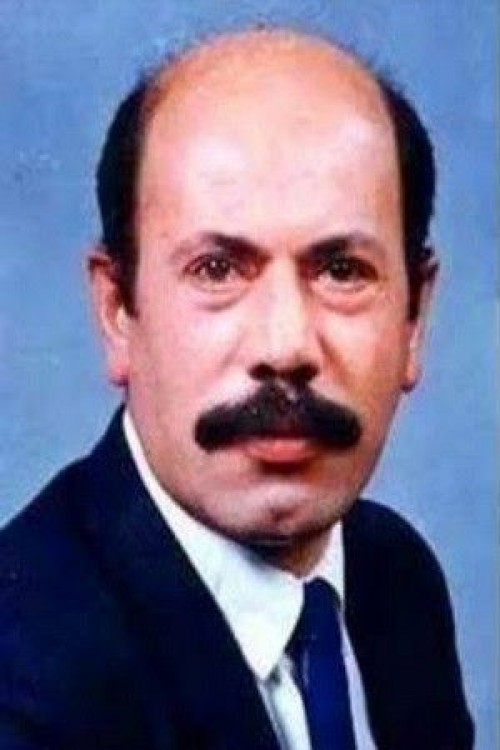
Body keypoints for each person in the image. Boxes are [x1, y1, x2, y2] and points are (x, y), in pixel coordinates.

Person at [0, 27, 473, 750]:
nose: (285, 346)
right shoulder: (22, 678)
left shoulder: (395, 581)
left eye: (342, 271)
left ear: (415, 318)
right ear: (118, 311)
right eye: (217, 270)